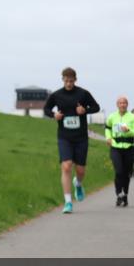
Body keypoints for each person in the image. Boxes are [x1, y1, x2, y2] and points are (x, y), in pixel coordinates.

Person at [43, 67, 100, 214]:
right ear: (62, 80)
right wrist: (53, 115)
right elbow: (46, 109)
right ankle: (68, 202)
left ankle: (78, 184)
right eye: (66, 81)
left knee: (80, 170)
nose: (68, 83)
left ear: (75, 80)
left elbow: (96, 107)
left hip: (81, 137)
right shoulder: (57, 95)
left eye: (71, 81)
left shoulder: (83, 93)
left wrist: (85, 110)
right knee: (67, 166)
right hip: (64, 136)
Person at [105, 96, 134, 207]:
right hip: (115, 147)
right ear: (117, 105)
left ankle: (125, 195)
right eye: (120, 103)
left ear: (127, 105)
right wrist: (108, 138)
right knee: (119, 171)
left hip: (129, 148)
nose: (122, 105)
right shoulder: (112, 116)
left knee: (127, 174)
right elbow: (107, 127)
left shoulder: (133, 117)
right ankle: (119, 193)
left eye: (124, 103)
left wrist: (128, 130)